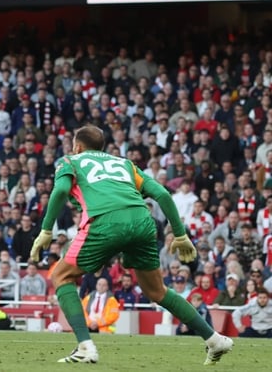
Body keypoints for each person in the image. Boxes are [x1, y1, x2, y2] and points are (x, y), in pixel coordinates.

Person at [30, 125, 233, 365]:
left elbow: (61, 190)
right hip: (142, 222)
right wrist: (180, 234)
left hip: (104, 221)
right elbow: (164, 195)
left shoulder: (71, 161)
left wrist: (45, 230)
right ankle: (214, 339)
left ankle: (85, 347)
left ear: (77, 146)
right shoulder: (125, 164)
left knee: (61, 276)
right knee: (158, 291)